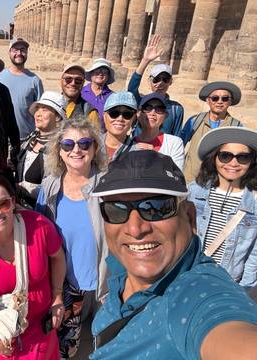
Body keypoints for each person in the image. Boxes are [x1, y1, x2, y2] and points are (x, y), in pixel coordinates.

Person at [90, 150, 257, 359]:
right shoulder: (121, 265)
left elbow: (228, 331)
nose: (135, 229)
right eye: (116, 210)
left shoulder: (196, 293)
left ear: (189, 216)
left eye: (156, 208)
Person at [0, 175, 66, 359]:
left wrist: (57, 297)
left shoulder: (38, 226)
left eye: (3, 204)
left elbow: (58, 257)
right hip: (5, 335)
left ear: (13, 202)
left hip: (42, 330)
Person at [35, 119, 109, 359]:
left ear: (95, 149)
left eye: (84, 143)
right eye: (68, 144)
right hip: (63, 287)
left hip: (101, 285)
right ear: (59, 151)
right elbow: (38, 237)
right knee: (63, 351)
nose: (76, 150)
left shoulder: (108, 187)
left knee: (97, 347)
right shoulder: (50, 187)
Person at [187, 127, 257, 289]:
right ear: (214, 158)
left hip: (226, 283)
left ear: (252, 161)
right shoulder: (193, 191)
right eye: (225, 156)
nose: (233, 163)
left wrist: (244, 289)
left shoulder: (254, 202)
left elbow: (254, 255)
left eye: (243, 157)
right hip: (189, 275)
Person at [181, 81, 242, 182]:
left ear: (230, 102)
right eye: (215, 98)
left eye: (225, 98)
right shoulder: (195, 121)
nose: (219, 102)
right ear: (208, 100)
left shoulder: (236, 126)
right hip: (189, 179)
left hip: (218, 182)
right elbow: (180, 145)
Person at [127, 34, 184, 136]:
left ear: (170, 82)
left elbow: (176, 135)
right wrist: (145, 60)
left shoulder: (176, 108)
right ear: (150, 81)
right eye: (156, 79)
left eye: (165, 79)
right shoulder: (141, 101)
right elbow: (132, 88)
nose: (160, 83)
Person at [17, 91, 66, 205]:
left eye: (44, 110)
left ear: (58, 117)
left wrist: (23, 188)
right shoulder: (29, 141)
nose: (38, 114)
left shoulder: (60, 148)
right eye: (37, 109)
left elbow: (56, 189)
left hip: (43, 212)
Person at [0, 38, 44, 139]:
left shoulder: (35, 80)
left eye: (22, 50)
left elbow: (41, 111)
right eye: (15, 50)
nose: (19, 53)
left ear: (26, 52)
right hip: (2, 138)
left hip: (26, 139)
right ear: (9, 52)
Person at [135, 93, 184, 170]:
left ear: (165, 116)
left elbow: (177, 176)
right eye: (147, 108)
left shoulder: (174, 143)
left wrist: (155, 156)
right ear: (138, 113)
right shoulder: (128, 144)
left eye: (159, 109)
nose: (153, 113)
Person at [101, 91, 138, 163]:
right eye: (114, 113)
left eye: (127, 114)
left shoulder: (139, 153)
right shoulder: (89, 146)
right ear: (104, 116)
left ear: (133, 119)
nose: (120, 119)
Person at [60, 63, 100, 129]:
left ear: (83, 83)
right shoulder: (51, 107)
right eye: (68, 79)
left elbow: (96, 138)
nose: (73, 83)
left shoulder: (90, 113)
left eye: (78, 80)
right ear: (61, 81)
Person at [81, 58, 115, 130]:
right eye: (97, 70)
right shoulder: (80, 92)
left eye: (104, 71)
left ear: (108, 76)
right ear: (91, 74)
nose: (100, 73)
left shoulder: (113, 97)